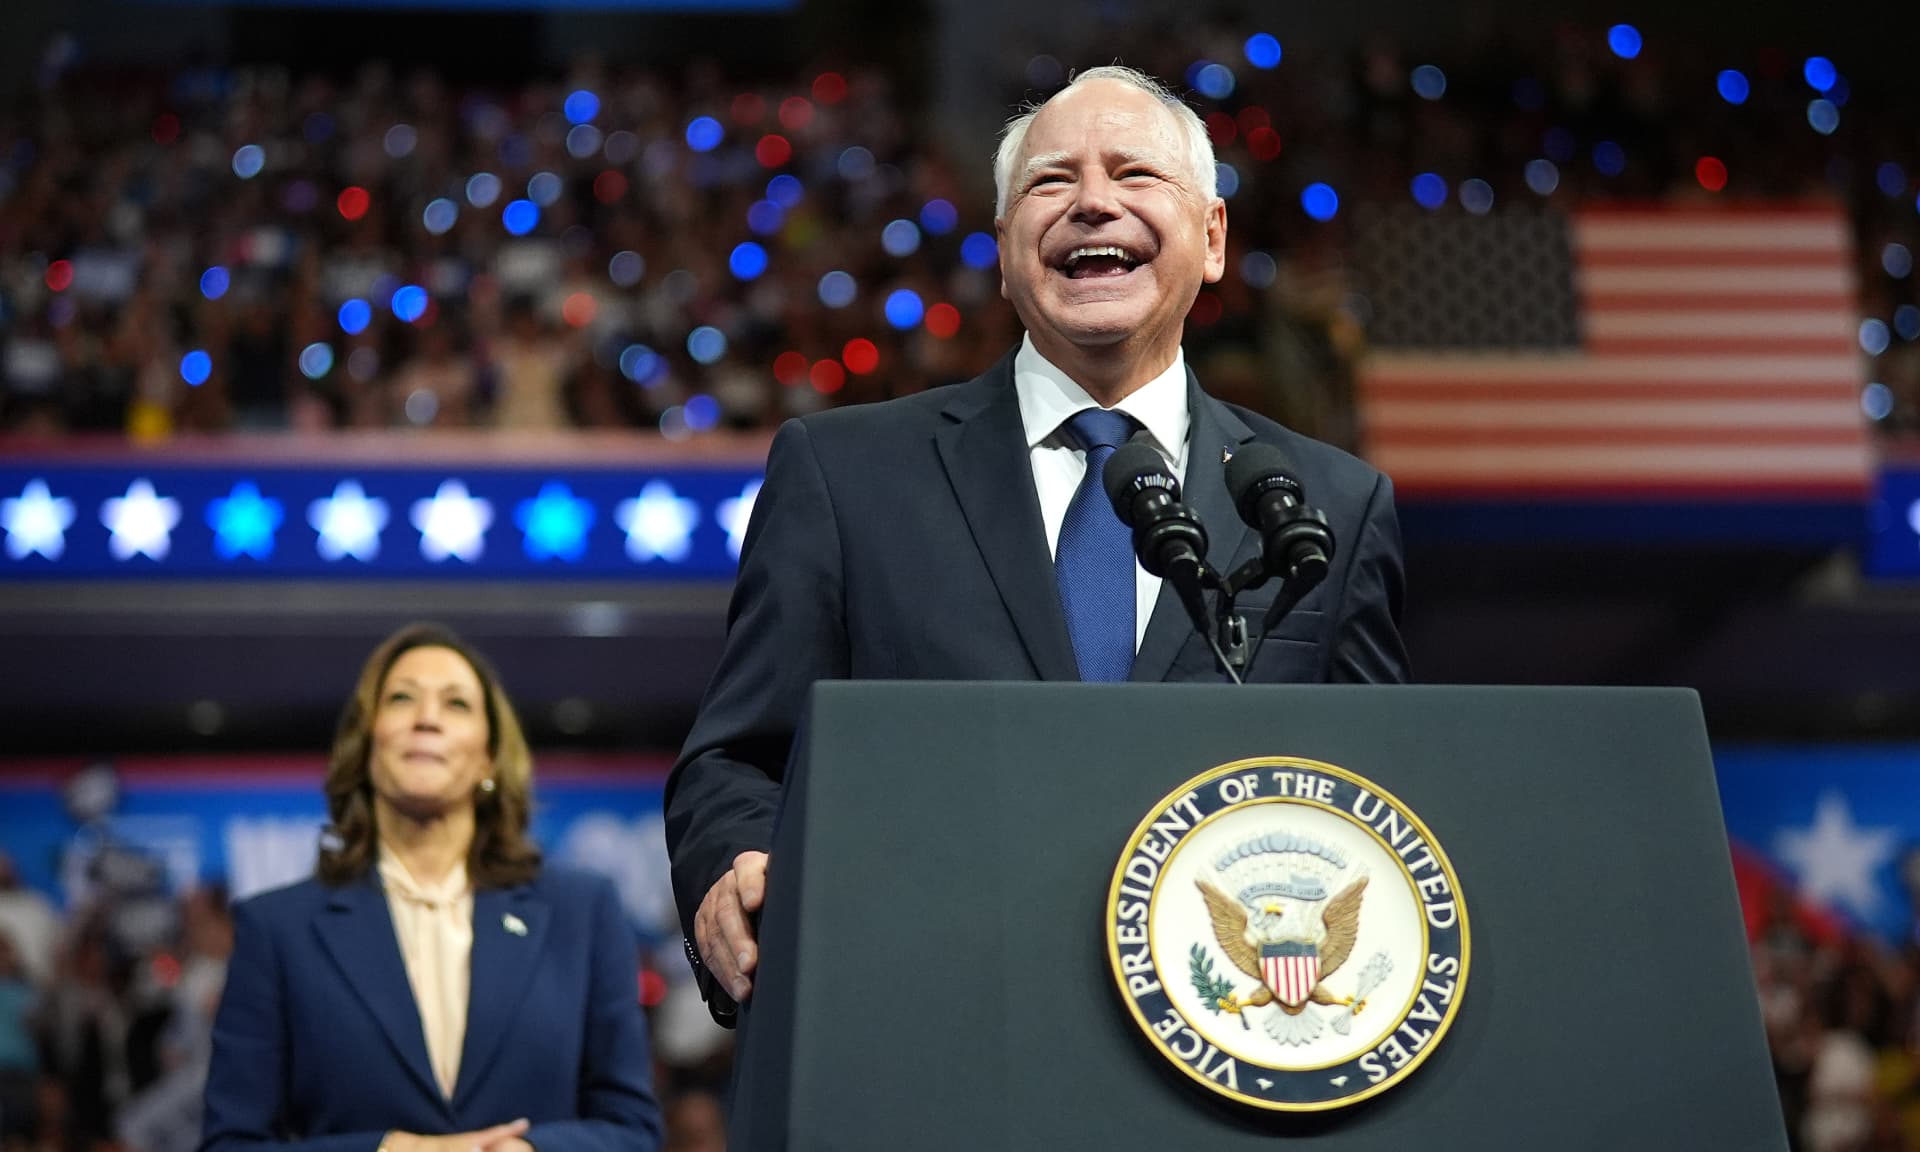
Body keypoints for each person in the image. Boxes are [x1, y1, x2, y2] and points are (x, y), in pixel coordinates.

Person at [664, 66, 1411, 1023]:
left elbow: (1381, 792)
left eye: (1136, 174)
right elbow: (737, 757)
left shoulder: (1327, 506)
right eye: (1052, 183)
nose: (1094, 202)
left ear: (1213, 239)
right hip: (925, 1018)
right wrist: (734, 868)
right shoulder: (844, 475)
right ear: (1007, 249)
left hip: (1230, 1048)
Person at [201, 623, 662, 1152]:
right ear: (365, 744)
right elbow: (229, 1145)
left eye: (457, 705)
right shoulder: (276, 929)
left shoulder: (582, 912)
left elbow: (633, 1131)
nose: (427, 718)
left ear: (488, 758)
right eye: (401, 699)